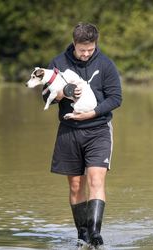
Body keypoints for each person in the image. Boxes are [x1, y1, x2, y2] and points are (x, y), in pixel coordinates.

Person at [43, 23, 122, 247]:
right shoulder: (59, 63)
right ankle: (83, 235)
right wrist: (63, 93)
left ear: (95, 44)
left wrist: (92, 114)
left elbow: (116, 98)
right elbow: (45, 96)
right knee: (76, 186)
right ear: (74, 44)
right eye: (82, 50)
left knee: (96, 180)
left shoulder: (106, 64)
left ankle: (96, 235)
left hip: (98, 129)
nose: (86, 54)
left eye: (90, 49)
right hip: (69, 131)